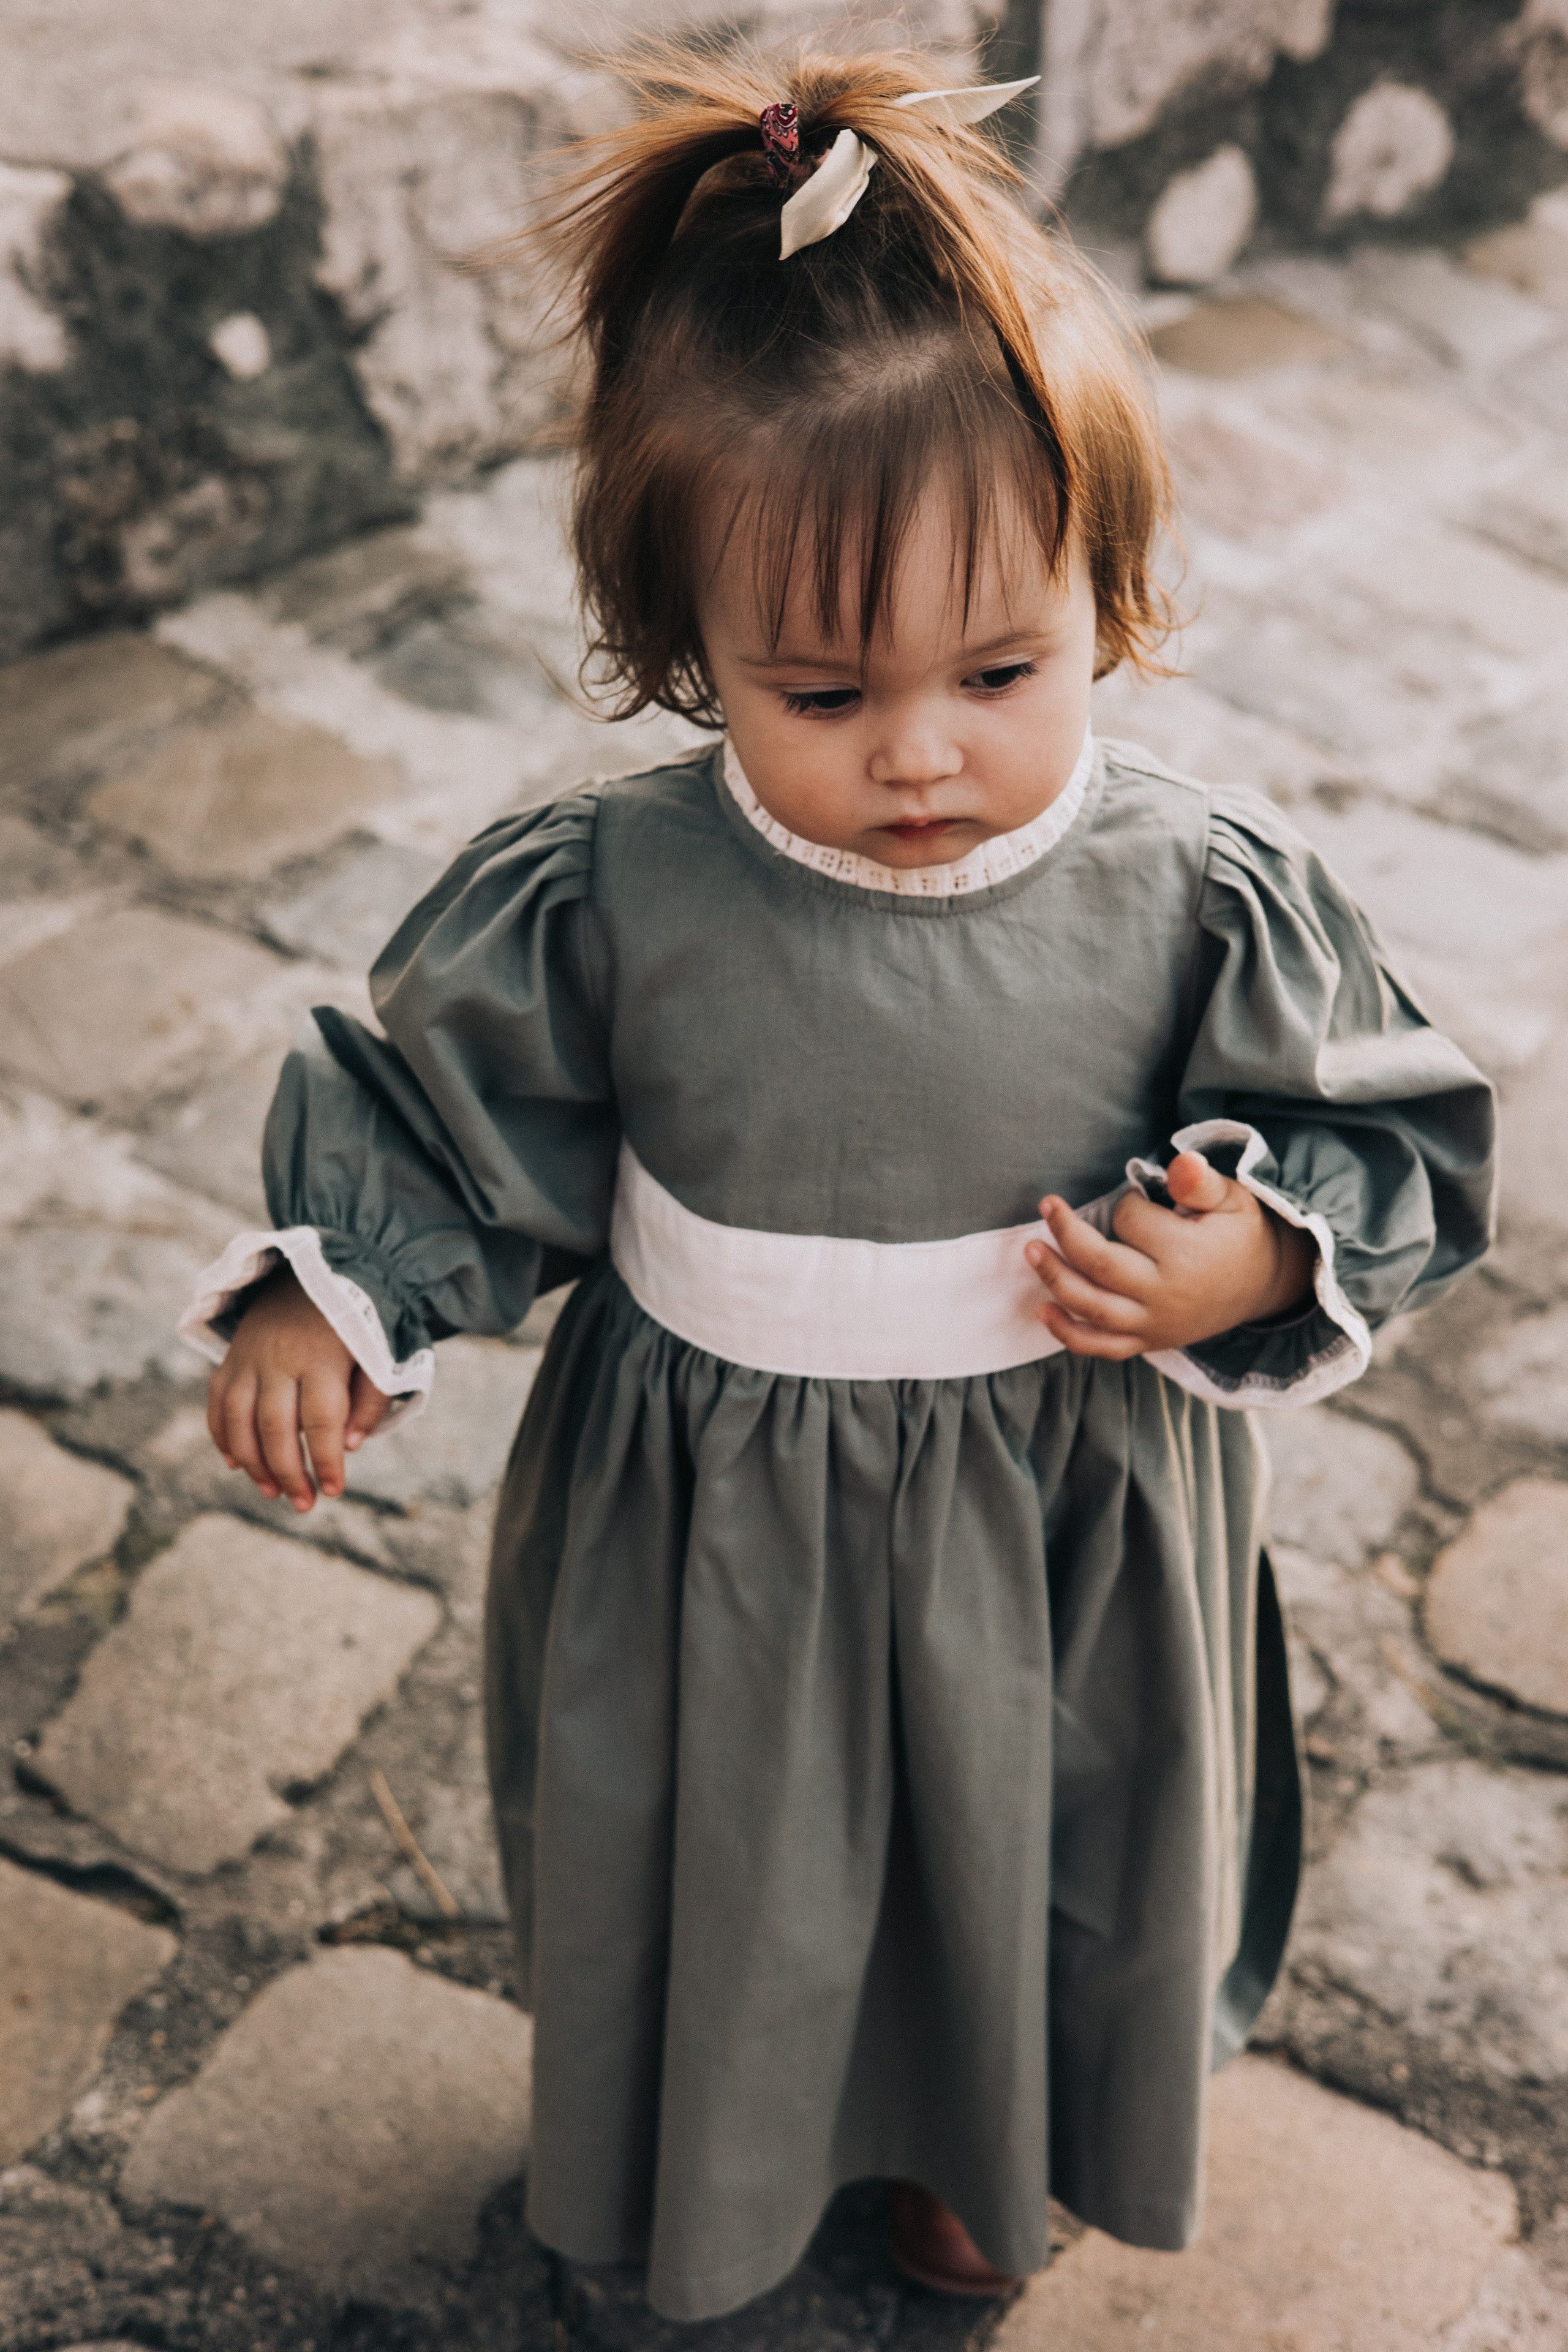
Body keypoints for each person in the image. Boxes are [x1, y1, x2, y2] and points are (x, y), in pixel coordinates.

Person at [181, 44, 1495, 2324]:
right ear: (685, 650)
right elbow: (442, 1112)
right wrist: (334, 1296)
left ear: (1108, 588)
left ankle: (1001, 2151)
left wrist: (1255, 1251)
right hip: (719, 1517)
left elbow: (1384, 1129)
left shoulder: (1199, 891)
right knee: (745, 1863)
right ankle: (724, 2166)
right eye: (820, 690)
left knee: (1042, 1855)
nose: (920, 751)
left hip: (1066, 1512)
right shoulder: (607, 893)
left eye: (1001, 667)